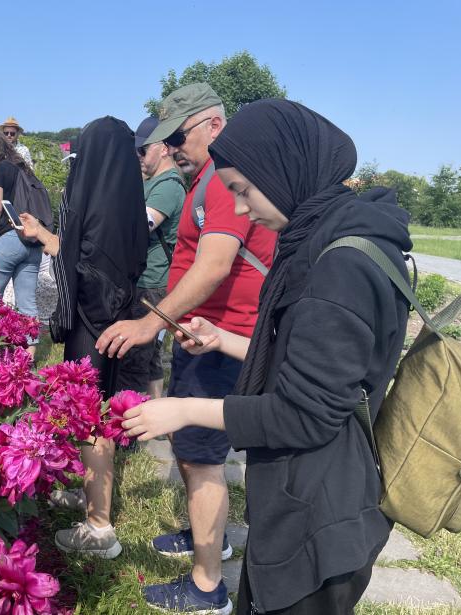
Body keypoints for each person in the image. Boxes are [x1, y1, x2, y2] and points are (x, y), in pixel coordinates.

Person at [122, 99, 412, 614]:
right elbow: (305, 361)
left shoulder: (338, 266)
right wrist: (225, 339)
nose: (239, 209)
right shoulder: (330, 241)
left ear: (284, 173)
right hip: (312, 495)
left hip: (318, 517)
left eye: (242, 191)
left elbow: (304, 413)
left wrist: (184, 409)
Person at [96, 83, 277, 614]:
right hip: (207, 331)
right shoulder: (207, 179)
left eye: (179, 134)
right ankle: (212, 538)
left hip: (222, 339)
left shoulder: (224, 181)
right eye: (168, 137)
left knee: (201, 462)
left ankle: (207, 587)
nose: (172, 145)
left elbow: (215, 265)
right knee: (192, 450)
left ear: (213, 125)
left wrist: (151, 323)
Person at [19, 116, 148, 559]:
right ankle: (91, 496)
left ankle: (99, 528)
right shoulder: (124, 199)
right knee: (97, 418)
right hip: (115, 320)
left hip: (95, 324)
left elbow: (91, 271)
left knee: (90, 419)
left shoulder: (98, 207)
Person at [118, 116, 185, 399]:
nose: (139, 156)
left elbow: (138, 227)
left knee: (136, 356)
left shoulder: (168, 185)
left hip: (152, 284)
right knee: (152, 355)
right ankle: (157, 412)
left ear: (164, 148)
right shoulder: (152, 181)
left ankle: (132, 427)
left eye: (143, 150)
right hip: (148, 280)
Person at [0, 131, 43, 353]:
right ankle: (29, 360)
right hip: (32, 242)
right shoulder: (24, 170)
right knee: (27, 304)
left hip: (7, 240)